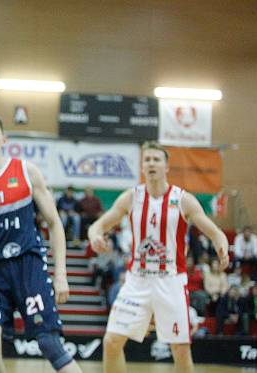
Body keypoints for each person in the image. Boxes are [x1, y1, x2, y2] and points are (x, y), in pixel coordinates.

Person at [0, 114, 82, 373]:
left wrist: (61, 275)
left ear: (4, 139)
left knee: (49, 343)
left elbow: (55, 224)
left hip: (28, 268)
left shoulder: (26, 171)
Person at [88, 141, 230, 373]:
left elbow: (215, 233)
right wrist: (95, 236)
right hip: (137, 281)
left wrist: (221, 247)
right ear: (142, 166)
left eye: (156, 159)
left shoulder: (183, 199)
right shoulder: (130, 198)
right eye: (147, 160)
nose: (151, 163)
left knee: (180, 349)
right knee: (111, 342)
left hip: (170, 280)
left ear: (166, 167)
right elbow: (98, 225)